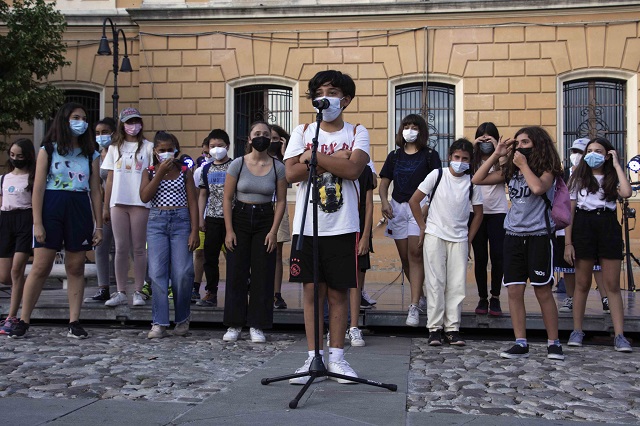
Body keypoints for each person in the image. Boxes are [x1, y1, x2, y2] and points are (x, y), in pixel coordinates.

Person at [285, 70, 369, 384]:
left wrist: (312, 157)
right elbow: (290, 173)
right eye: (319, 91)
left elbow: (353, 168)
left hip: (343, 225)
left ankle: (337, 357)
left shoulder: (357, 131)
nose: (325, 97)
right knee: (311, 292)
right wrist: (321, 157)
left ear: (345, 100)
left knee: (338, 293)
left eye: (332, 91)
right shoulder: (302, 130)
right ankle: (312, 358)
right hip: (308, 226)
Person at [10, 102, 103, 339]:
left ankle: (74, 321)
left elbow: (95, 190)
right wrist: (37, 222)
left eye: (83, 117)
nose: (81, 121)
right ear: (64, 120)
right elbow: (38, 187)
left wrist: (99, 224)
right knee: (41, 266)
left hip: (78, 207)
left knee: (75, 266)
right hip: (52, 206)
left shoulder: (91, 152)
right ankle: (23, 319)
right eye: (75, 117)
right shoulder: (48, 149)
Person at [472, 126, 565, 360]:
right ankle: (520, 342)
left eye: (526, 142)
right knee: (514, 290)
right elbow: (478, 178)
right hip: (513, 235)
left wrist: (524, 165)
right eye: (519, 143)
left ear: (538, 145)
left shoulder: (548, 169)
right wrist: (497, 153)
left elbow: (537, 188)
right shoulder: (510, 171)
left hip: (539, 236)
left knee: (543, 290)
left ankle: (554, 342)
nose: (520, 146)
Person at [409, 138, 483, 346]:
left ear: (471, 161)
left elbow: (478, 213)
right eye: (457, 157)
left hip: (459, 238)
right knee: (435, 282)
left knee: (457, 284)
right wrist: (423, 227)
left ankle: (452, 329)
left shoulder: (472, 182)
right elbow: (415, 200)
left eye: (465, 159)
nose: (460, 162)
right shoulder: (437, 174)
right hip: (435, 235)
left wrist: (469, 239)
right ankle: (434, 329)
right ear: (450, 156)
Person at [564, 137, 632, 352]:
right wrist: (568, 242)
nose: (593, 154)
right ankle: (577, 330)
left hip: (607, 224)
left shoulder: (613, 177)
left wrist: (617, 164)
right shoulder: (578, 177)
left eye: (599, 150)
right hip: (583, 225)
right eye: (590, 150)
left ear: (608, 154)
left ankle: (620, 335)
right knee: (582, 283)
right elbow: (570, 211)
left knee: (611, 284)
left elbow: (627, 193)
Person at [222, 121, 287, 343]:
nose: (261, 137)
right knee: (237, 270)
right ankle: (234, 323)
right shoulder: (238, 165)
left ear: (271, 139)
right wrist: (229, 230)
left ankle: (257, 324)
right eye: (257, 134)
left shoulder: (278, 167)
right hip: (240, 215)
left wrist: (273, 231)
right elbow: (227, 198)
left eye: (265, 134)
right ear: (249, 139)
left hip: (264, 218)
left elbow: (281, 201)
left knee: (263, 272)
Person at [379, 114, 441, 327]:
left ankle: (413, 306)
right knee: (405, 257)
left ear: (421, 130)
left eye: (414, 126)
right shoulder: (394, 156)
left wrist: (428, 206)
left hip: (419, 207)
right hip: (397, 208)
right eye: (406, 126)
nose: (410, 130)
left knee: (415, 253)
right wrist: (384, 201)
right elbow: (384, 182)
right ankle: (420, 295)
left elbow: (437, 183)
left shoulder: (430, 155)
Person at [140, 131, 199, 339]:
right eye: (162, 150)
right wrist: (158, 174)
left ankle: (182, 319)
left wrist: (194, 230)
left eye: (169, 150)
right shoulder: (149, 171)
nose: (166, 154)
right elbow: (145, 196)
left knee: (183, 272)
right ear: (155, 152)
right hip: (157, 221)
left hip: (181, 220)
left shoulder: (184, 171)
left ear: (176, 151)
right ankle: (159, 322)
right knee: (157, 272)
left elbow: (193, 201)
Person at [101, 107, 154, 307]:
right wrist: (106, 207)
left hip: (140, 202)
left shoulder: (148, 147)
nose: (133, 126)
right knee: (120, 247)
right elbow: (110, 179)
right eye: (129, 122)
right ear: (122, 125)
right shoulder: (115, 148)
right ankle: (121, 290)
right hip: (118, 202)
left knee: (139, 248)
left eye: (136, 121)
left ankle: (139, 290)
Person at [557, 138, 610, 314]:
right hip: (565, 224)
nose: (577, 156)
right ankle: (570, 298)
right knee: (568, 265)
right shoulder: (565, 174)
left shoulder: (603, 177)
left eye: (581, 152)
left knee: (596, 265)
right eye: (575, 152)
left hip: (590, 225)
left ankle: (605, 298)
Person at [470, 122, 507, 317]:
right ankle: (482, 297)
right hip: (475, 213)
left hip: (497, 212)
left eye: (489, 137)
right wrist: (473, 145)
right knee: (480, 257)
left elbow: (506, 173)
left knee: (498, 256)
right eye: (481, 138)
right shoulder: (471, 159)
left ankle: (496, 297)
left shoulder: (501, 159)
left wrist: (497, 147)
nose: (485, 142)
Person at [0, 139, 36, 334]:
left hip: (25, 219)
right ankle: (21, 288)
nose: (15, 159)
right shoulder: (4, 178)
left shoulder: (32, 177)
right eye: (12, 155)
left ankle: (11, 316)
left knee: (16, 269)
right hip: (6, 221)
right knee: (5, 275)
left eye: (19, 156)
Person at [197, 129, 233, 307]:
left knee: (234, 257)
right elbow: (203, 194)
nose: (216, 149)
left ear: (228, 146)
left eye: (220, 146)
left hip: (232, 220)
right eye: (212, 146)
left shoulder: (235, 166)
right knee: (210, 257)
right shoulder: (206, 169)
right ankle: (211, 292)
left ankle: (237, 290)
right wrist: (200, 219)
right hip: (211, 218)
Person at [84, 117, 118, 303]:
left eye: (104, 132)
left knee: (128, 248)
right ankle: (103, 287)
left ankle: (143, 286)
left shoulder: (118, 152)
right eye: (97, 133)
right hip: (101, 205)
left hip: (118, 204)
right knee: (100, 246)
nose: (101, 136)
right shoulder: (95, 154)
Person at [348, 163, 375, 347]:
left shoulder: (363, 170)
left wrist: (365, 236)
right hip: (336, 229)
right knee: (335, 282)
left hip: (358, 228)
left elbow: (369, 204)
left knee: (356, 280)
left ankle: (354, 327)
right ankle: (335, 326)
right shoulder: (328, 166)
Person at [270, 124, 291, 310]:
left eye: (276, 138)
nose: (271, 141)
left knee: (277, 253)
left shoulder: (283, 161)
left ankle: (277, 294)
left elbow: (291, 179)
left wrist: (284, 154)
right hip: (258, 206)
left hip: (279, 206)